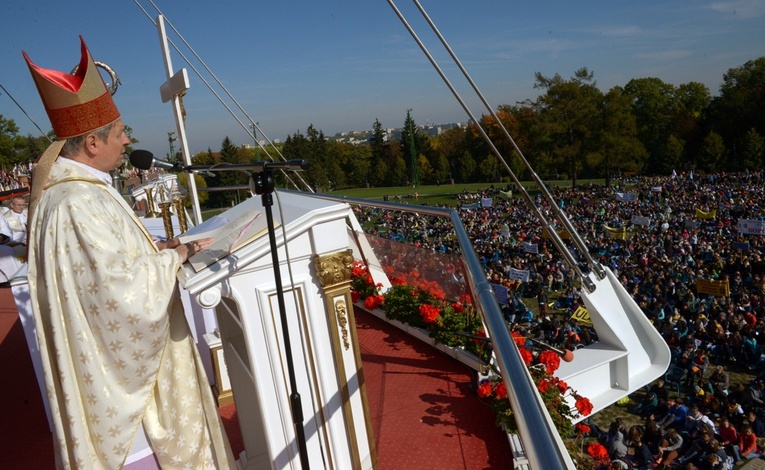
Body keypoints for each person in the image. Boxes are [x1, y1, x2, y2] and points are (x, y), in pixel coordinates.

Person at [23, 37, 235, 468]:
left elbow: (104, 268)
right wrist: (177, 256)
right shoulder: (76, 203)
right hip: (126, 390)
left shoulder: (79, 193)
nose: (127, 141)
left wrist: (161, 247)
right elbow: (117, 295)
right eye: (120, 133)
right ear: (92, 144)